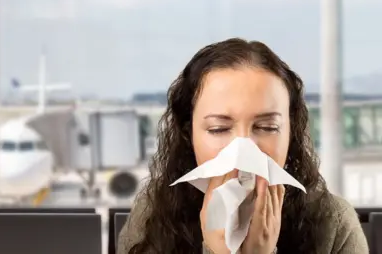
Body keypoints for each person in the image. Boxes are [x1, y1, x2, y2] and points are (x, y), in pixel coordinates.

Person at [117, 38, 368, 254]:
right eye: (219, 129)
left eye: (267, 127)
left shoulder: (334, 224)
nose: (243, 151)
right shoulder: (153, 217)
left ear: (291, 133)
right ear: (188, 133)